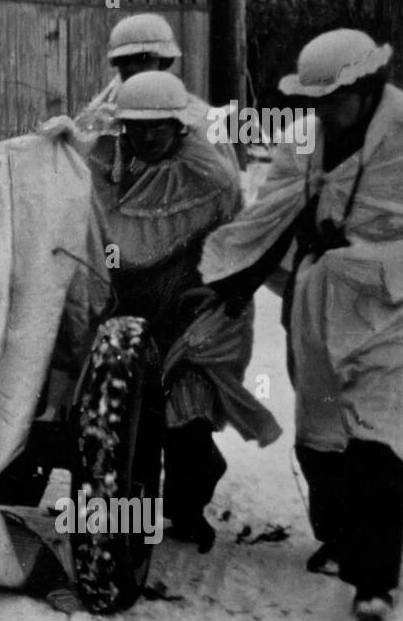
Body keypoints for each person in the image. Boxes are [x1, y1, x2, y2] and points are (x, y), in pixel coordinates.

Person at [200, 29, 403, 621]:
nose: (323, 113)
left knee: (381, 435)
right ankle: (340, 537)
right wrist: (224, 275)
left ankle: (374, 582)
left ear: (368, 90)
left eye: (334, 100)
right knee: (321, 436)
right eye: (315, 103)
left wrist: (370, 261)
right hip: (319, 306)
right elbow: (275, 213)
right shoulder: (308, 139)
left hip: (390, 312)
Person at [86, 71, 281, 552]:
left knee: (184, 416)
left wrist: (212, 290)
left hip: (187, 308)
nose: (147, 136)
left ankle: (187, 507)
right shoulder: (102, 164)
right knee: (108, 408)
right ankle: (122, 514)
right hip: (115, 302)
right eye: (136, 126)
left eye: (159, 127)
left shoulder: (210, 177)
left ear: (179, 126)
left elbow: (233, 247)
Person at [75, 13, 240, 175]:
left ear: (163, 60)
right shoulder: (102, 111)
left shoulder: (197, 118)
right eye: (124, 61)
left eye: (143, 58)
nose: (132, 68)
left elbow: (219, 176)